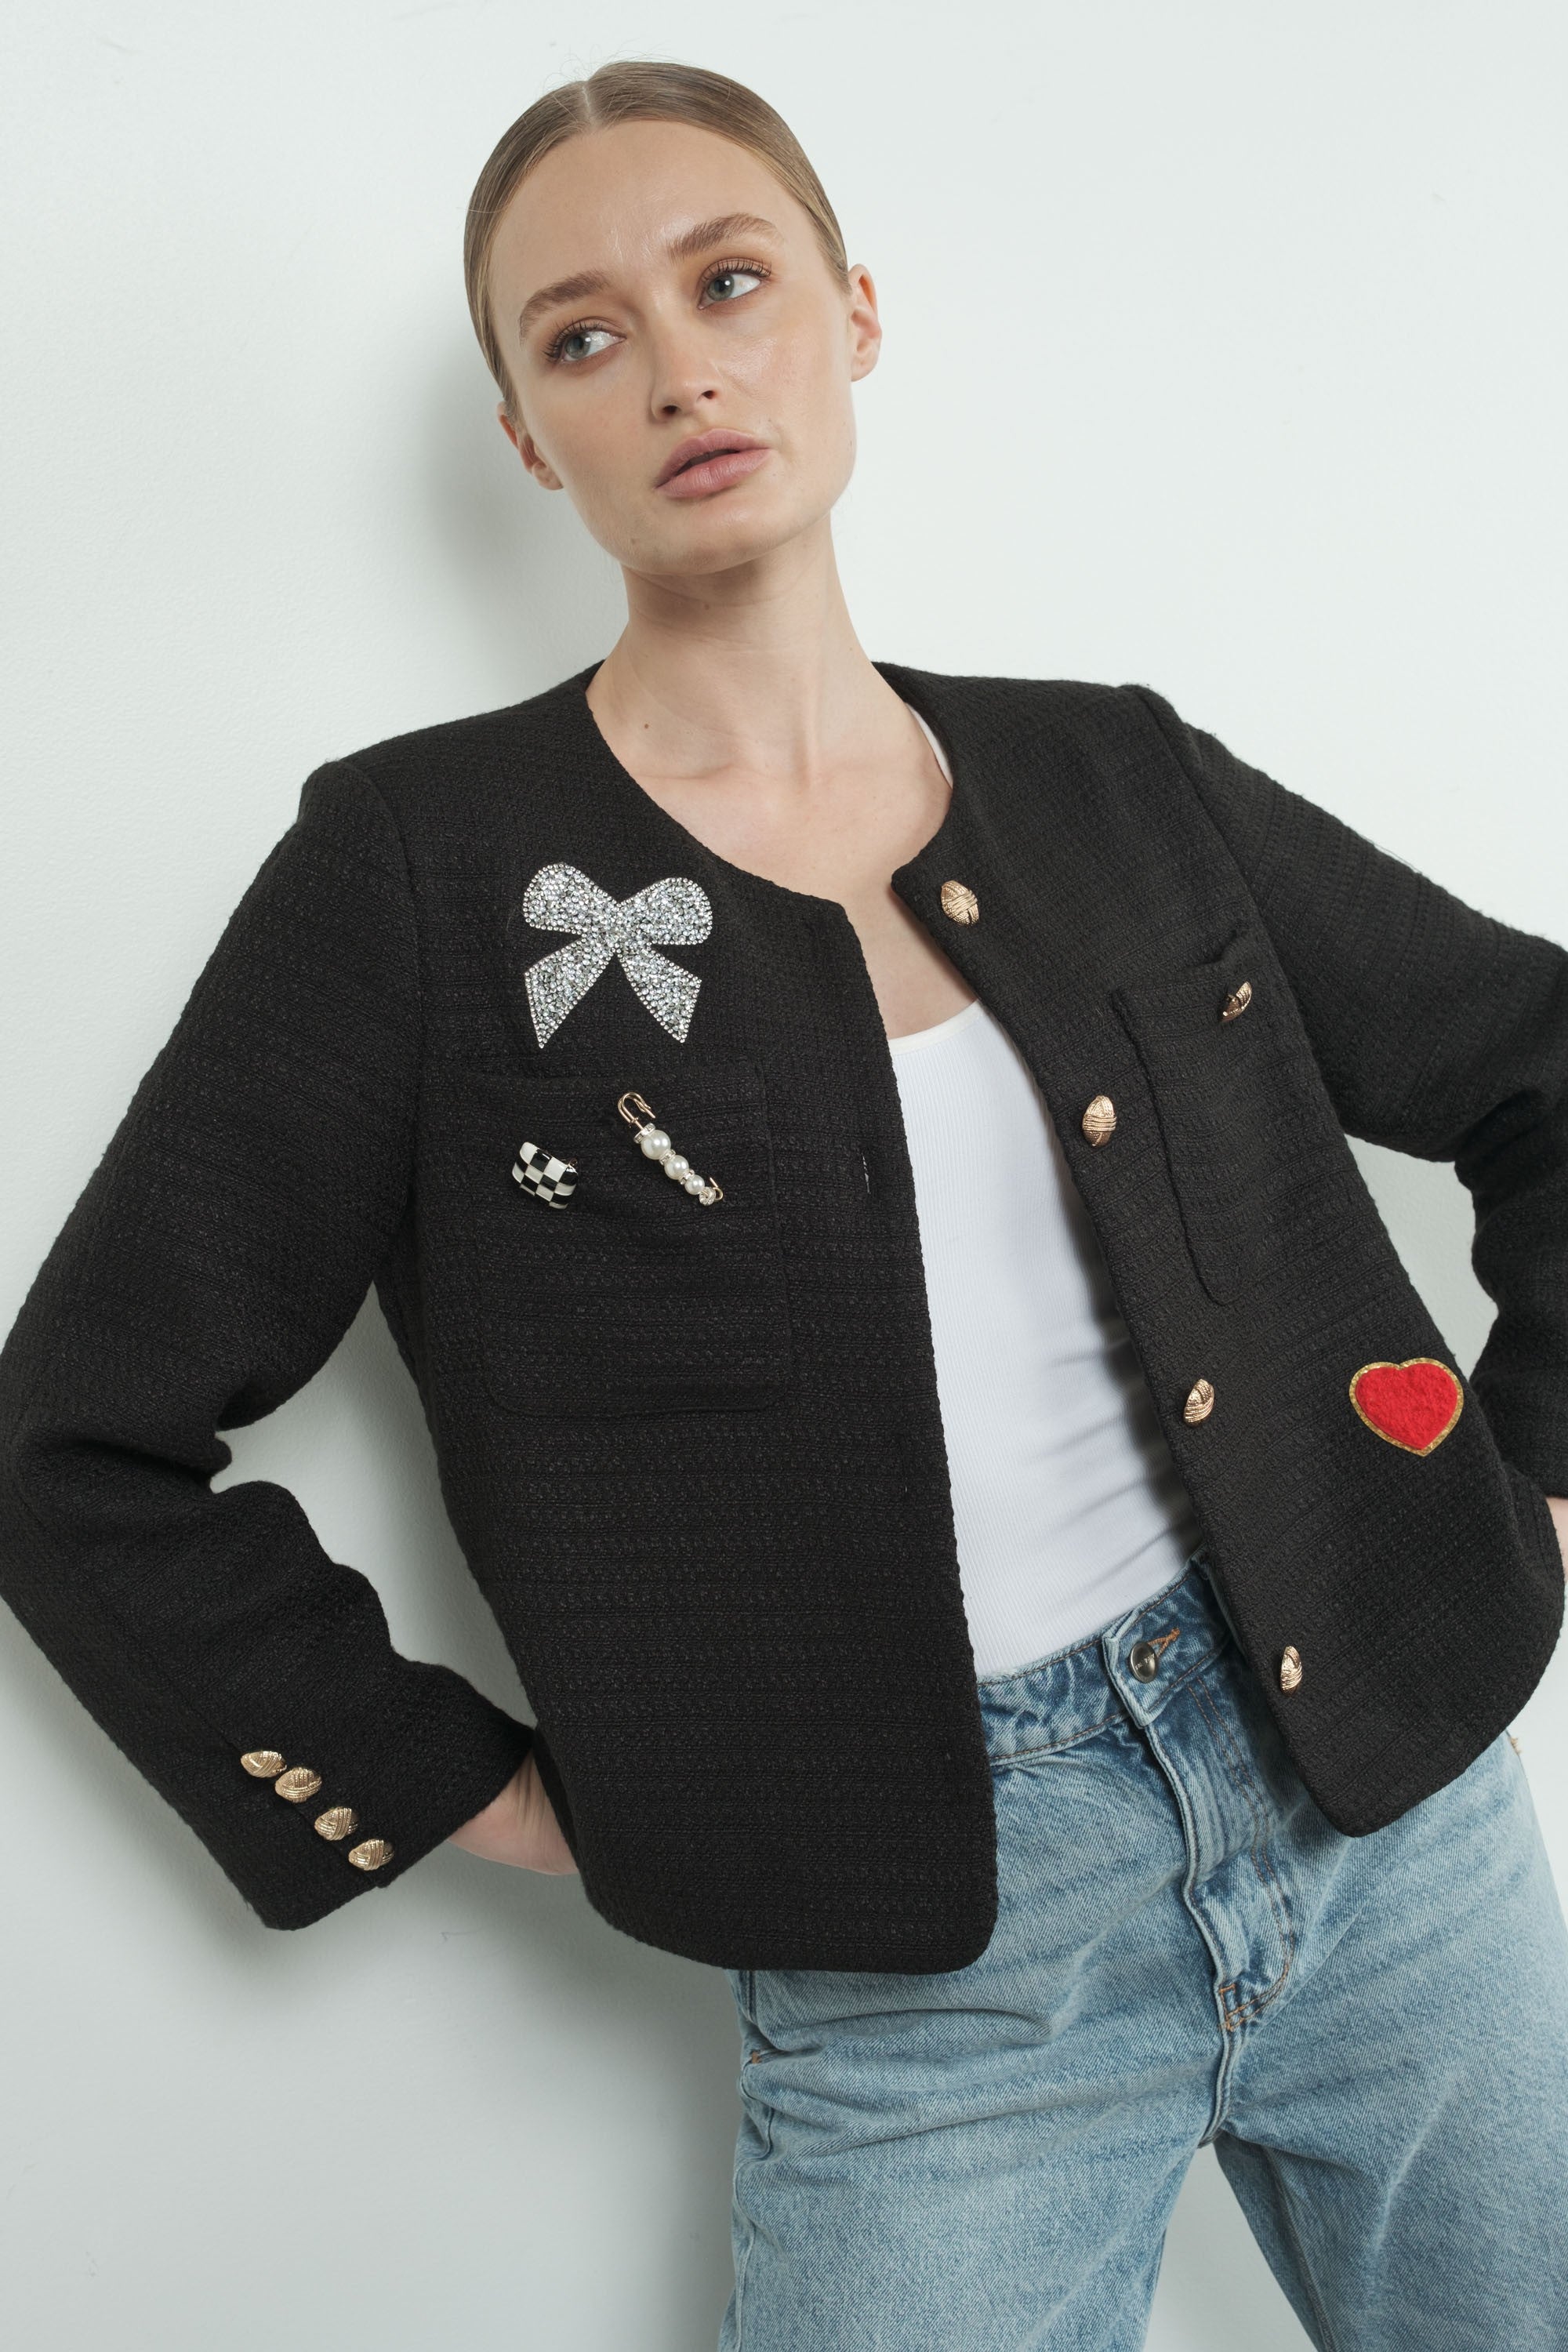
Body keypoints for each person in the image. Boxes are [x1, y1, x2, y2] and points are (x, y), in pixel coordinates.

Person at [2, 56, 1566, 2352]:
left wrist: (1529, 1484)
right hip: (929, 1988)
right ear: (530, 437)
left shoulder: (1113, 770)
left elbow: (1543, 1066)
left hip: (1398, 1840)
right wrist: (471, 1789)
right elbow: (76, 1438)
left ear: (853, 315)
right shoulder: (414, 872)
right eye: (583, 334)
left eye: (729, 282)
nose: (679, 367)